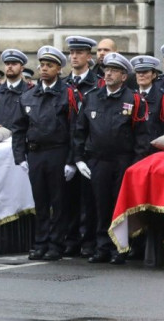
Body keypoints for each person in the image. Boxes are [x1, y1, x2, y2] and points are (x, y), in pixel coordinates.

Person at [74, 52, 150, 265]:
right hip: (97, 160)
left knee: (120, 206)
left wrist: (135, 165)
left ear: (124, 76)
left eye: (114, 70)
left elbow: (142, 136)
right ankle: (102, 247)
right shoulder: (91, 97)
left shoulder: (134, 100)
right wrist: (79, 158)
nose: (108, 74)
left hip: (122, 161)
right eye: (107, 69)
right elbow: (80, 130)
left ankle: (120, 248)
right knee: (100, 205)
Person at [13, 46, 81, 261]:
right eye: (42, 65)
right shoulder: (29, 94)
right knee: (40, 201)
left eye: (49, 66)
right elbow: (19, 128)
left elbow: (75, 129)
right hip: (35, 153)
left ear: (59, 69)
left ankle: (56, 244)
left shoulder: (68, 94)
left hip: (57, 152)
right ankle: (40, 243)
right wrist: (19, 156)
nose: (44, 69)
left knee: (58, 202)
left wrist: (71, 161)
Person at [62, 35, 100, 259]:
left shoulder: (97, 83)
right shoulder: (63, 84)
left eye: (79, 53)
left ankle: (88, 241)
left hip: (87, 150)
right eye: (72, 53)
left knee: (88, 200)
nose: (74, 57)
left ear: (88, 56)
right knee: (67, 199)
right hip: (64, 148)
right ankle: (71, 239)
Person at [0, 49, 29, 132]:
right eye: (7, 64)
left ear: (22, 68)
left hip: (20, 142)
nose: (10, 66)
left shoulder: (30, 93)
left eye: (14, 64)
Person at [131, 56, 163, 141]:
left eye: (145, 72)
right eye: (138, 72)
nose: (141, 75)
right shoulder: (130, 96)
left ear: (153, 75)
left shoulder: (162, 97)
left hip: (155, 147)